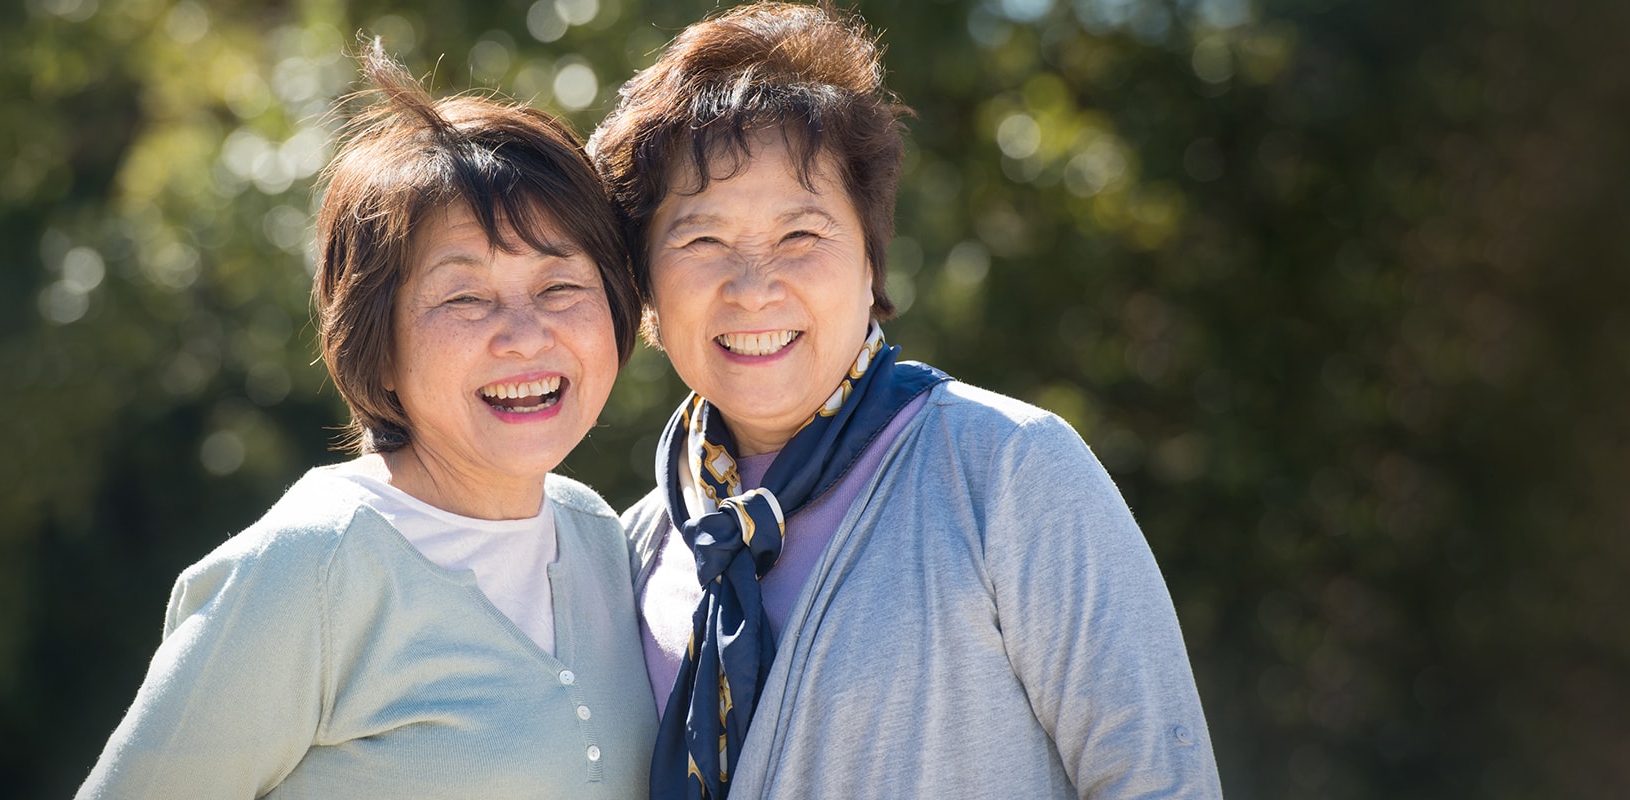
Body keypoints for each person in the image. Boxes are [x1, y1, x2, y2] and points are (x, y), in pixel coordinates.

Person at [588, 3, 1224, 798]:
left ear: (870, 262)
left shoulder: (1008, 472)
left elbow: (1160, 781)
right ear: (645, 283)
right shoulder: (631, 547)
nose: (754, 288)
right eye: (702, 239)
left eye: (802, 235)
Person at [78, 44, 655, 798]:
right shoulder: (308, 568)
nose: (525, 334)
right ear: (376, 347)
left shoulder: (600, 540)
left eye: (560, 284)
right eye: (464, 298)